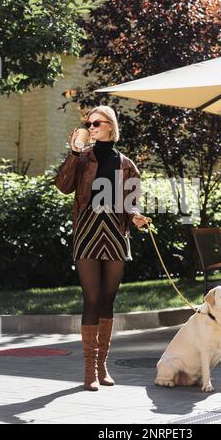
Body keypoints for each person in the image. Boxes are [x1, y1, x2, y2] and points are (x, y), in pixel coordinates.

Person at [54, 105, 148, 391]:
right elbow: (63, 185)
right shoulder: (82, 158)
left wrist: (136, 215)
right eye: (88, 123)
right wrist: (73, 153)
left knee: (108, 300)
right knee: (92, 299)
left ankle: (102, 364)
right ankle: (88, 370)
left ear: (110, 126)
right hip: (87, 231)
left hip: (116, 233)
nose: (91, 126)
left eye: (96, 122)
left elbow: (131, 201)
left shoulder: (126, 163)